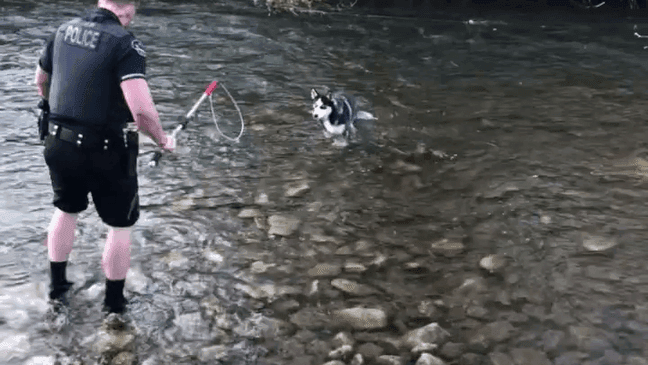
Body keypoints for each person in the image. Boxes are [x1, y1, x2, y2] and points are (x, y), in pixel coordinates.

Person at [34, 0, 175, 313]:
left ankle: (58, 290)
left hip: (58, 143)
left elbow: (40, 82)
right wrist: (163, 140)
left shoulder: (62, 31)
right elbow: (140, 110)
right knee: (120, 227)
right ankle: (114, 304)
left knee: (65, 210)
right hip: (106, 151)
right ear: (129, 10)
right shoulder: (126, 44)